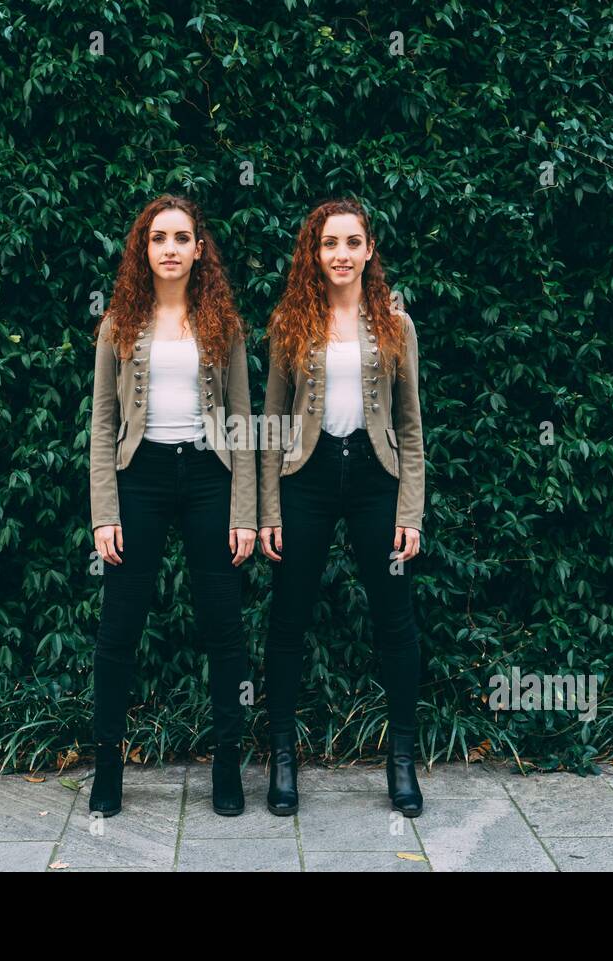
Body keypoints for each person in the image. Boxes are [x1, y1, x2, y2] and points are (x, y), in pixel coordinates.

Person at [87, 195, 257, 817]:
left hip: (210, 474)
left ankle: (229, 770)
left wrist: (246, 511)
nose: (170, 249)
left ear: (198, 248)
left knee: (224, 626)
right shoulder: (118, 323)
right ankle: (107, 769)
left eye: (181, 238)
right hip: (143, 477)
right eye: (158, 238)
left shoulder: (224, 323)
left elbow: (241, 420)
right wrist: (105, 512)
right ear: (144, 248)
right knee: (119, 628)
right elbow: (103, 424)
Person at [257, 198, 426, 817]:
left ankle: (402, 763)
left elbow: (410, 425)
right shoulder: (290, 323)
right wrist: (268, 509)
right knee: (288, 619)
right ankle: (282, 761)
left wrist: (410, 510)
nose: (341, 255)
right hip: (307, 474)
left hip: (377, 478)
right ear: (315, 252)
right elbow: (273, 422)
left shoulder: (395, 324)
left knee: (395, 621)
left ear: (369, 250)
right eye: (330, 244)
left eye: (352, 243)